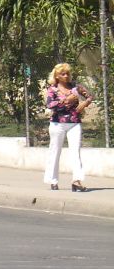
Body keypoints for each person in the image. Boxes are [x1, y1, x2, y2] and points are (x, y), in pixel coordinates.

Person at [43, 63, 92, 191]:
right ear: (57, 76)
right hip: (57, 123)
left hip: (74, 122)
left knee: (75, 151)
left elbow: (90, 95)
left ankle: (77, 180)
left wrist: (85, 103)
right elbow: (50, 105)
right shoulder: (52, 89)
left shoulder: (75, 87)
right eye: (62, 74)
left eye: (67, 73)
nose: (66, 76)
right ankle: (52, 180)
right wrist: (66, 101)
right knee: (55, 151)